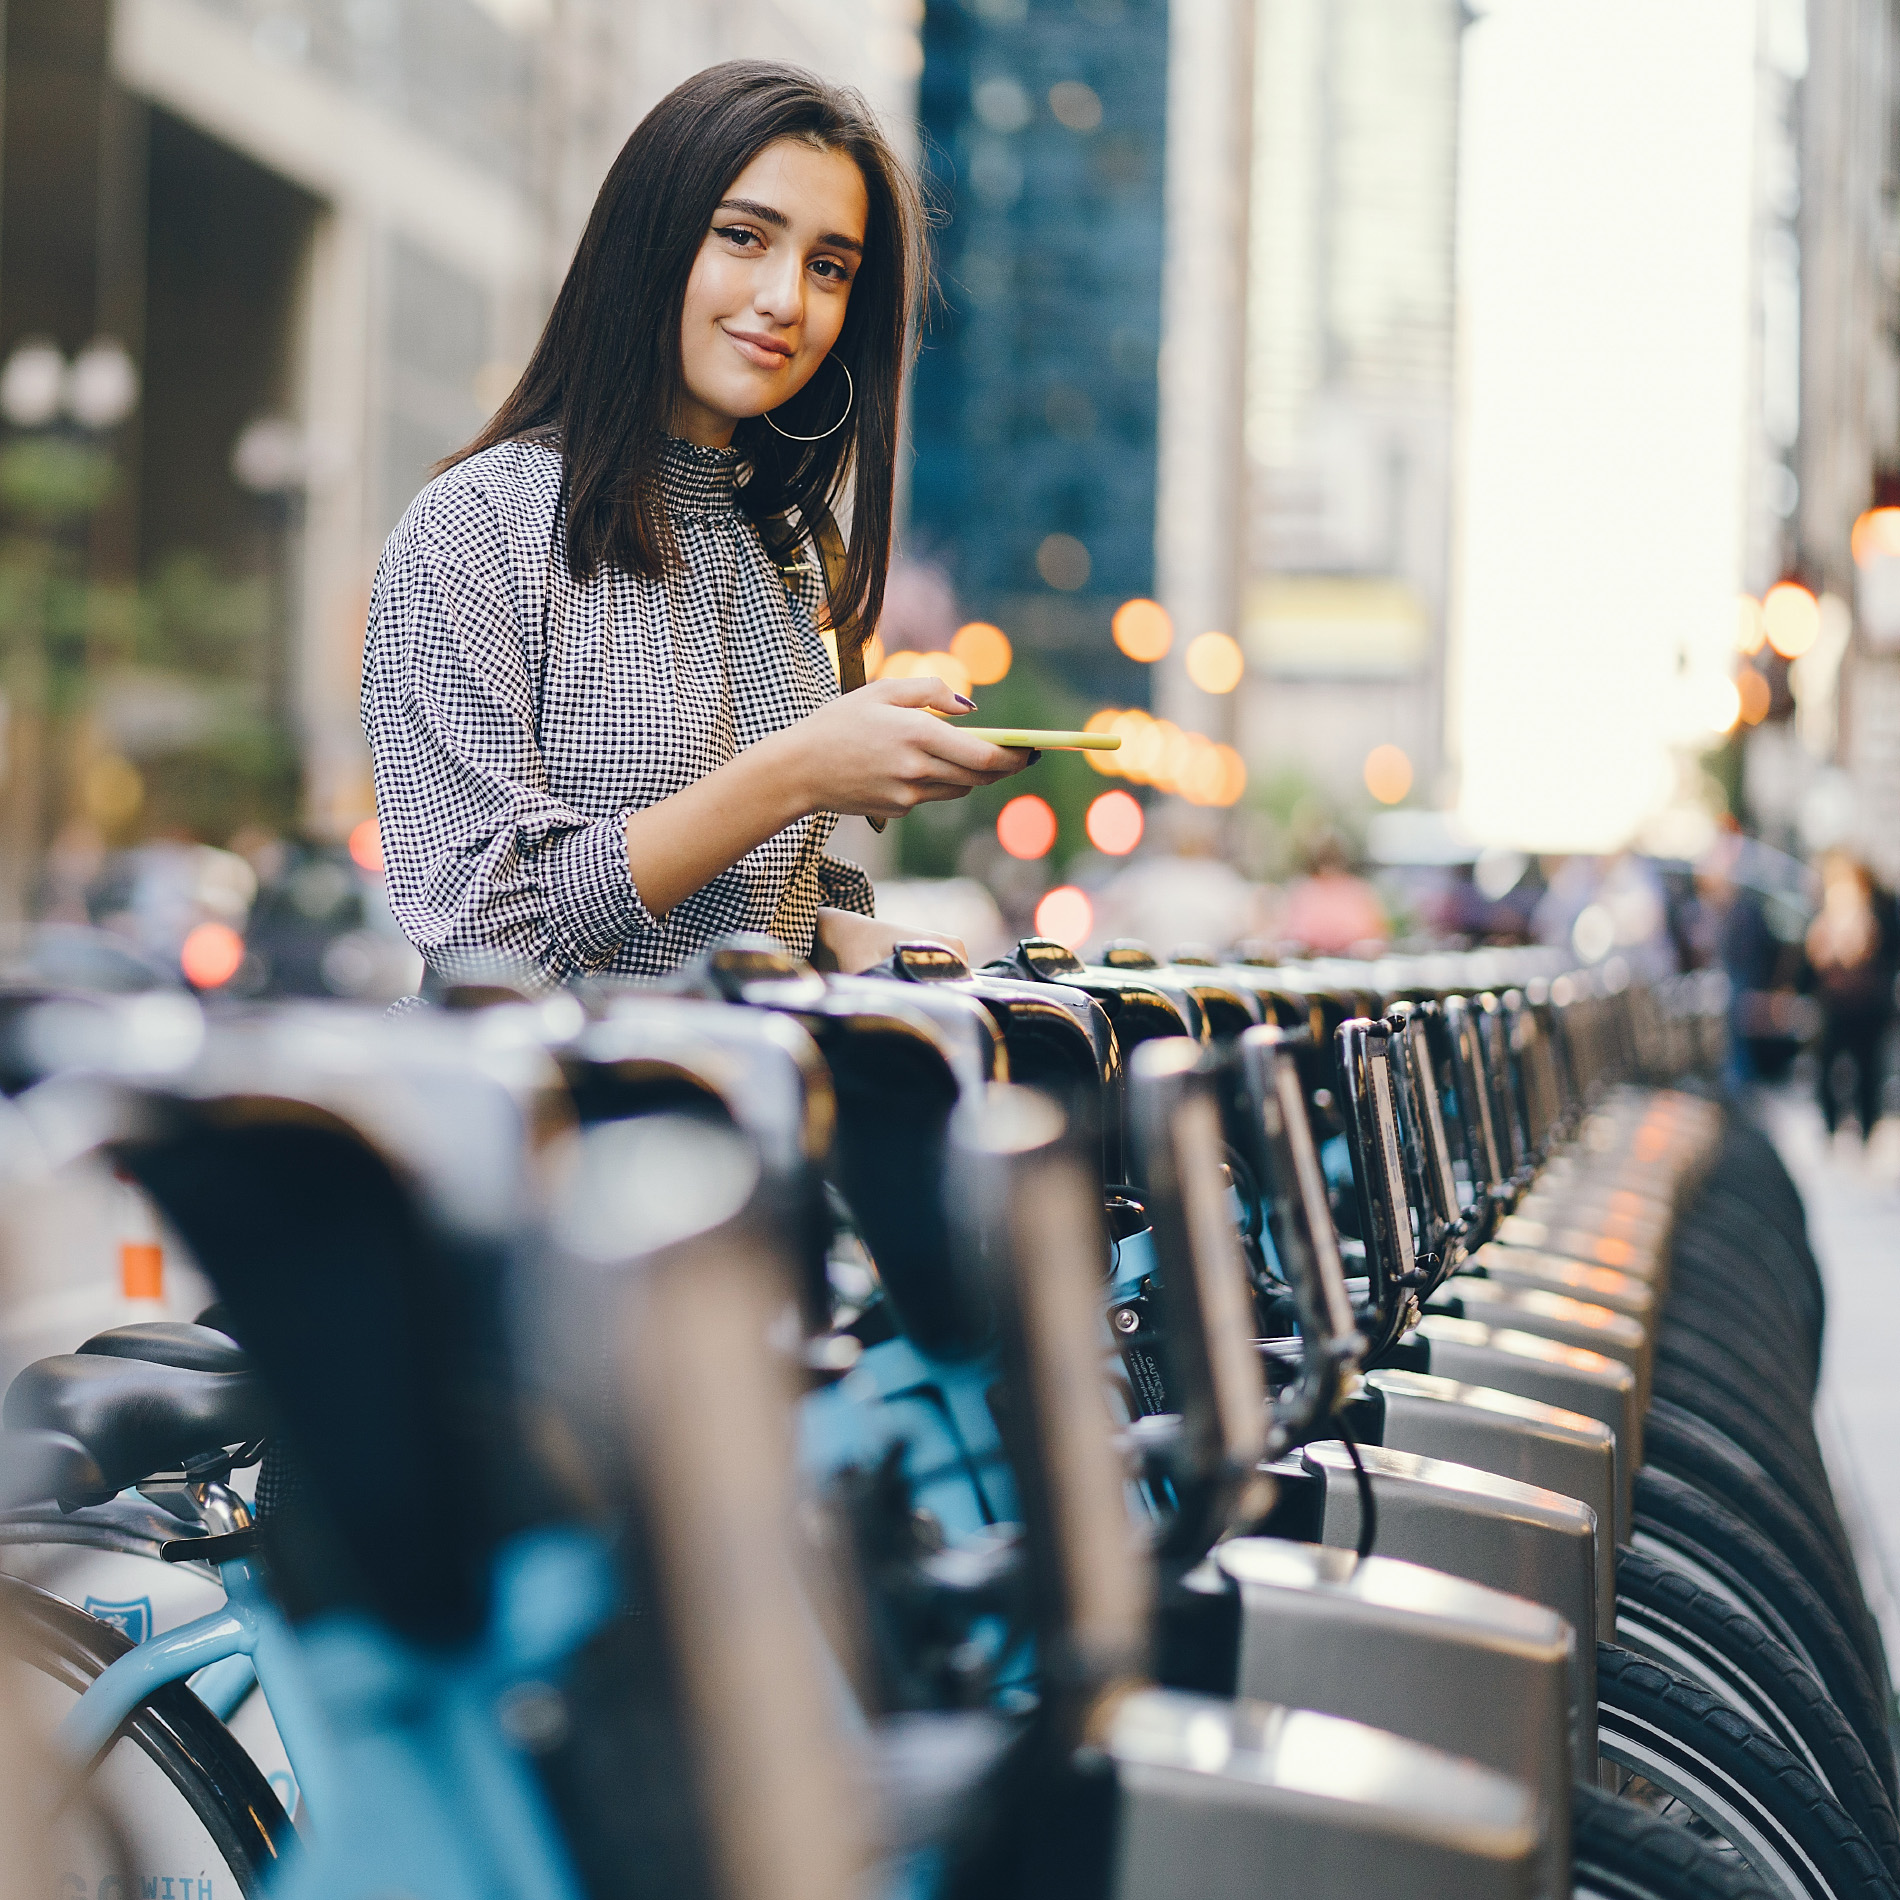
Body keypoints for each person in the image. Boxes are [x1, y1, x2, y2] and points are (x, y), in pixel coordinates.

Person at [361, 63, 1032, 992]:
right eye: (743, 237)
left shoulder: (789, 553)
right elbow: (485, 935)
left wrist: (872, 946)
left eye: (829, 267)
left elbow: (755, 905)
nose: (786, 298)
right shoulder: (477, 526)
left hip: (758, 1112)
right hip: (545, 1121)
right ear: (648, 241)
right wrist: (795, 773)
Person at [1805, 852, 1898, 1142]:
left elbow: (1875, 953)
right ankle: (1832, 1128)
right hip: (1836, 1004)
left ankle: (1866, 1132)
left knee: (1867, 1072)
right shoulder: (1826, 914)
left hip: (1865, 1005)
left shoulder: (1875, 914)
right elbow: (1814, 956)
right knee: (1828, 1069)